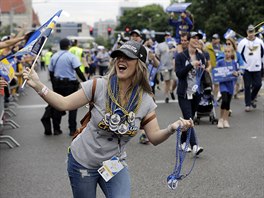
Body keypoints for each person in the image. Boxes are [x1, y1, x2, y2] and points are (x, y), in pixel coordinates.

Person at [23, 40, 193, 198]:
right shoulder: (98, 86)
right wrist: (39, 86)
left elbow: (154, 137)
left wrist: (172, 128)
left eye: (128, 57)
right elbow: (64, 103)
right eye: (119, 56)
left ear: (139, 65)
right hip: (83, 161)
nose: (121, 60)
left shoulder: (145, 100)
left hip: (113, 164)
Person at [47, 38, 86, 136]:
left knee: (57, 106)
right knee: (73, 107)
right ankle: (72, 130)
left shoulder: (54, 56)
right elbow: (78, 70)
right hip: (70, 85)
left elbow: (51, 72)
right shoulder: (71, 57)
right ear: (69, 46)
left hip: (57, 84)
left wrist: (53, 84)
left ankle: (56, 129)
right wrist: (86, 82)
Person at [175, 32, 204, 155]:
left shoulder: (201, 56)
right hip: (184, 93)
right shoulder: (181, 56)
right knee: (189, 118)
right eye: (194, 38)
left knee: (188, 119)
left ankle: (182, 141)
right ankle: (195, 145)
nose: (197, 40)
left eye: (199, 38)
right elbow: (179, 74)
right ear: (188, 41)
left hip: (196, 92)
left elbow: (203, 73)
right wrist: (190, 65)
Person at [237, 25, 264, 112]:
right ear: (247, 32)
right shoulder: (242, 42)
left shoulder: (260, 42)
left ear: (254, 32)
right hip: (246, 68)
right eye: (249, 32)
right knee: (247, 86)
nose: (251, 34)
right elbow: (239, 55)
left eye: (252, 32)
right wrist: (240, 66)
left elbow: (263, 54)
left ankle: (252, 98)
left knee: (258, 85)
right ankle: (247, 104)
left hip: (257, 67)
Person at [216, 46, 239, 128]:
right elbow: (216, 73)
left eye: (229, 51)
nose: (227, 53)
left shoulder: (234, 63)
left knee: (228, 102)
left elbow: (237, 73)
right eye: (225, 51)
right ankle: (220, 119)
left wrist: (236, 74)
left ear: (232, 53)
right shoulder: (220, 62)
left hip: (231, 84)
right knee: (224, 99)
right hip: (223, 84)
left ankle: (226, 119)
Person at [155, 32, 177, 103]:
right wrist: (160, 62)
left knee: (176, 80)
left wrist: (174, 49)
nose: (167, 37)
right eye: (166, 36)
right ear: (164, 37)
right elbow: (157, 55)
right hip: (164, 67)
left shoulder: (174, 44)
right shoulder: (160, 45)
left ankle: (171, 91)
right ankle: (166, 96)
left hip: (173, 65)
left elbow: (177, 53)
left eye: (168, 36)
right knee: (167, 81)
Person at [206, 34, 224, 105]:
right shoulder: (208, 47)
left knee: (216, 85)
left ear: (219, 40)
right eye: (213, 38)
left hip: (218, 68)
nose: (214, 40)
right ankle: (209, 98)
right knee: (210, 85)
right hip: (210, 68)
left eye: (216, 38)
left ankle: (215, 99)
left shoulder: (222, 48)